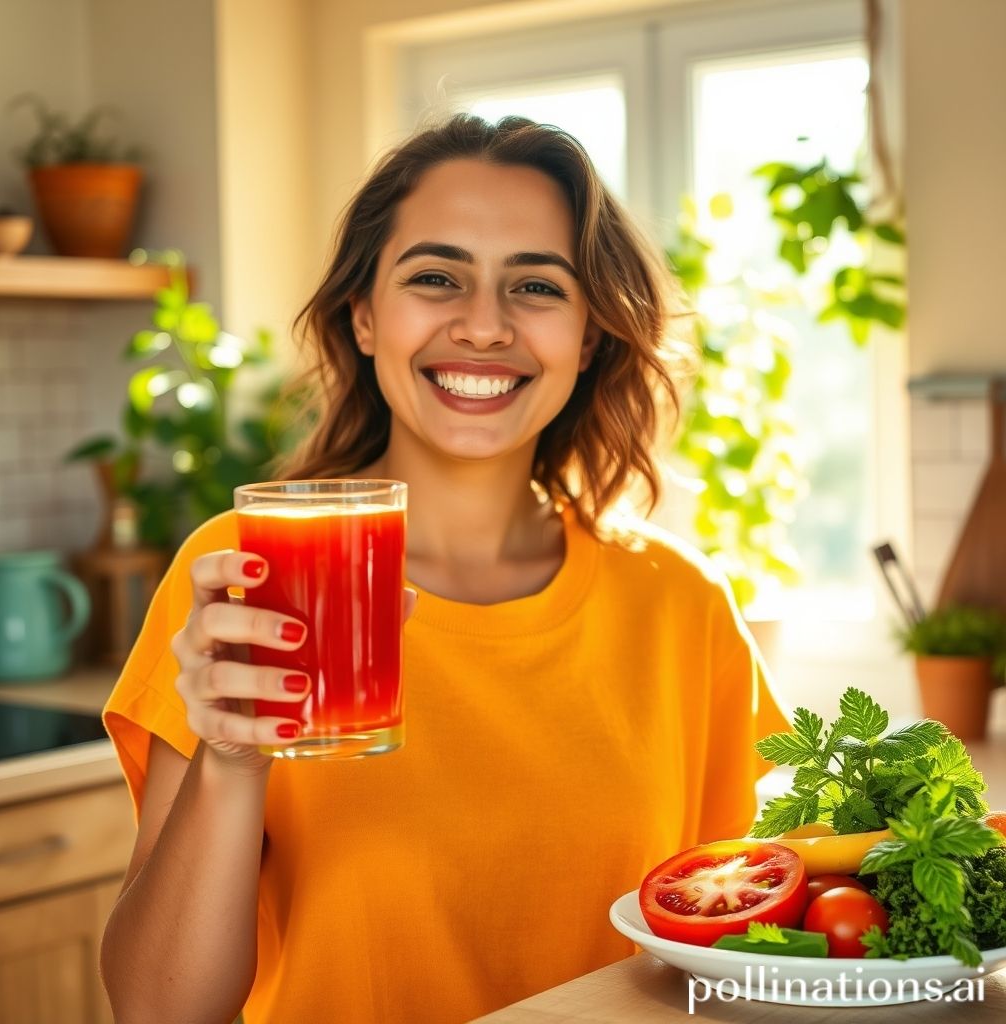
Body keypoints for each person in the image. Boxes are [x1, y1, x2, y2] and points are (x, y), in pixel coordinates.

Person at [99, 113, 789, 1024]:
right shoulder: (250, 570)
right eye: (435, 277)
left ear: (588, 337)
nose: (484, 326)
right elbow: (158, 1011)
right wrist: (231, 761)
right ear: (364, 316)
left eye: (536, 286)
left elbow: (730, 950)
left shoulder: (679, 602)